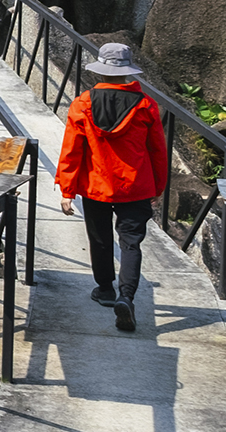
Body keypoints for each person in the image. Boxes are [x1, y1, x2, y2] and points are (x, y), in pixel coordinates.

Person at [56, 38, 170, 332]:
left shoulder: (83, 103)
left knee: (100, 238)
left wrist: (67, 190)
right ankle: (126, 298)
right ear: (128, 71)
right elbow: (158, 151)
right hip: (135, 185)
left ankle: (105, 289)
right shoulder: (146, 105)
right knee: (131, 243)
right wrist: (158, 187)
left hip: (96, 184)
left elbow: (72, 150)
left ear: (99, 71)